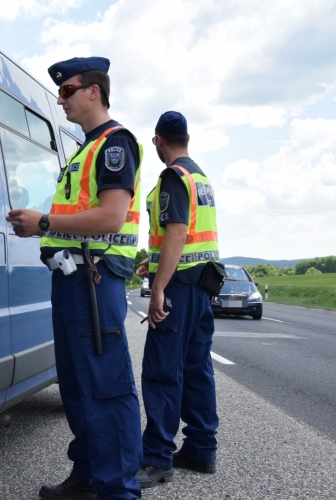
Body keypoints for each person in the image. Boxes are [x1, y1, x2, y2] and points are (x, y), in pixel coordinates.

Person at [7, 56, 143, 500]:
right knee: (78, 387)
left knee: (104, 387)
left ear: (94, 91)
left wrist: (43, 222)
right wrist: (40, 227)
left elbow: (111, 216)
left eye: (67, 91)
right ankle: (87, 478)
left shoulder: (115, 144)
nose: (61, 100)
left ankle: (118, 491)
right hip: (73, 279)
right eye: (60, 93)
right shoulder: (86, 149)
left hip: (94, 279)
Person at [134, 111, 220, 488]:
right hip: (202, 287)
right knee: (197, 368)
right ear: (186, 138)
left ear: (158, 140)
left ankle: (156, 458)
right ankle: (201, 449)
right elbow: (193, 239)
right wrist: (152, 264)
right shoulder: (200, 178)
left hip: (179, 290)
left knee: (162, 371)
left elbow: (178, 232)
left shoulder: (173, 176)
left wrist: (158, 288)